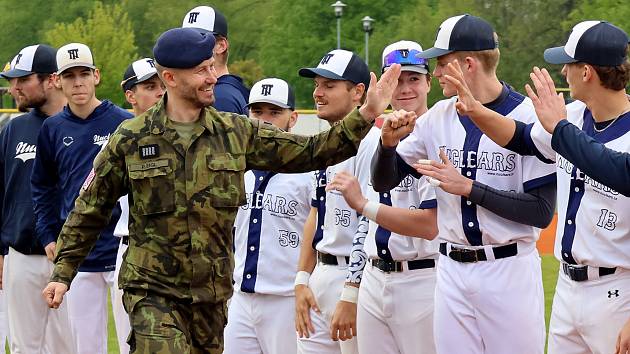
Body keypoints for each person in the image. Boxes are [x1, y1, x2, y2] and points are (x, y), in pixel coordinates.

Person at [42, 28, 405, 353]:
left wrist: (366, 113)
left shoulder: (236, 133)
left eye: (211, 67)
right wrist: (63, 273)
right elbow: (90, 207)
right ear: (169, 77)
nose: (212, 77)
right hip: (152, 290)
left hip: (210, 298)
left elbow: (312, 152)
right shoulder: (131, 138)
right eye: (201, 71)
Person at [439, 20, 630, 354]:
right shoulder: (572, 115)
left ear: (586, 72)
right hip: (569, 289)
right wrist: (475, 109)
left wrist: (559, 129)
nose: (563, 73)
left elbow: (616, 169)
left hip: (619, 291)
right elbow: (520, 138)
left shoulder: (569, 124)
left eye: (568, 65)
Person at [371, 14, 557, 354]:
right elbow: (383, 180)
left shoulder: (528, 117)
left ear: (468, 64)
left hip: (508, 269)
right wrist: (386, 146)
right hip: (451, 271)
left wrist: (471, 188)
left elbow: (542, 212)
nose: (437, 72)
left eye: (442, 63)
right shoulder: (437, 116)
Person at [326, 40, 440, 354]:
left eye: (414, 79)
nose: (405, 88)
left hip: (423, 277)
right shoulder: (376, 139)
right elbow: (366, 223)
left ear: (429, 82)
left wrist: (364, 204)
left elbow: (429, 226)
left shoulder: (437, 136)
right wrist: (353, 287)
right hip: (376, 277)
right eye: (396, 80)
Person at [31, 42, 132, 354]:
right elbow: (42, 186)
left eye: (84, 74)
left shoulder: (121, 122)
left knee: (135, 340)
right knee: (86, 345)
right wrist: (48, 233)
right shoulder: (53, 127)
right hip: (79, 251)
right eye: (69, 75)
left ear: (96, 76)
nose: (77, 82)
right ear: (58, 81)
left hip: (121, 248)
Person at [223, 77, 311, 354]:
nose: (265, 120)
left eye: (275, 112)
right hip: (241, 298)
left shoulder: (308, 171)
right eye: (258, 112)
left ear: (293, 118)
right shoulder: (234, 167)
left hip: (286, 299)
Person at [0, 44, 76, 354]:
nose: (13, 87)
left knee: (70, 346)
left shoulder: (81, 125)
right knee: (23, 347)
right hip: (22, 255)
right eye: (12, 80)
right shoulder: (15, 128)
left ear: (52, 80)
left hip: (72, 257)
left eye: (23, 79)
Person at [109, 57, 165, 354]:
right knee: (128, 342)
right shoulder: (121, 141)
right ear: (130, 95)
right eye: (149, 86)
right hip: (131, 250)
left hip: (174, 252)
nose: (160, 91)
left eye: (162, 84)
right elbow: (91, 200)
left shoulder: (189, 134)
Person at [182, 5, 249, 114]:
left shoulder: (219, 97)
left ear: (221, 46)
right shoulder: (230, 89)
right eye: (187, 40)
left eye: (200, 39)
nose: (190, 46)